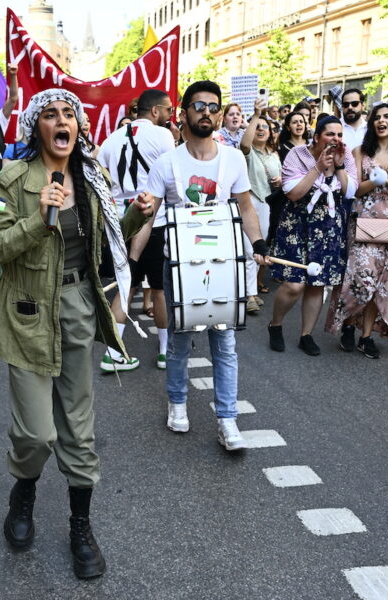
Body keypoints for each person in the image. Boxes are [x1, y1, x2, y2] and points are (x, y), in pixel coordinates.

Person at [0, 88, 153, 578]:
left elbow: (106, 238)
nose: (62, 121)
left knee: (79, 428)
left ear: (79, 126)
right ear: (37, 128)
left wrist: (138, 214)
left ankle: (82, 524)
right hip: (26, 316)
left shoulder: (94, 176)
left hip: (78, 307)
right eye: (51, 114)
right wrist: (38, 219)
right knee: (36, 433)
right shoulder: (13, 180)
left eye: (69, 114)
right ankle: (24, 491)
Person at [146, 80, 270, 451]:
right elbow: (148, 211)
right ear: (183, 113)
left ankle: (227, 419)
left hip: (222, 264)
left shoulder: (233, 158)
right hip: (181, 265)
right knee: (180, 340)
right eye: (198, 105)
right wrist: (130, 260)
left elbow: (246, 207)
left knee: (224, 343)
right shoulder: (167, 162)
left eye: (213, 107)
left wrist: (258, 243)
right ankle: (178, 402)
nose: (207, 112)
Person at [97, 89, 176, 371]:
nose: (170, 116)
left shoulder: (110, 139)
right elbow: (174, 174)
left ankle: (114, 352)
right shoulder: (163, 136)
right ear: (154, 111)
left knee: (125, 285)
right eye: (168, 110)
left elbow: (100, 176)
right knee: (160, 288)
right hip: (155, 219)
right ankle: (166, 352)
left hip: (121, 221)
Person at [328, 103, 388, 359]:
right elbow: (352, 191)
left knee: (380, 283)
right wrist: (380, 175)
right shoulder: (360, 152)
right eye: (377, 117)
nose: (382, 121)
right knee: (360, 278)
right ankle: (347, 326)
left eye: (387, 117)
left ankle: (366, 337)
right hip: (364, 221)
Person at [268, 116, 355, 355]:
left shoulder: (346, 156)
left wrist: (338, 167)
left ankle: (306, 335)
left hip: (328, 226)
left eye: (339, 135)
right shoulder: (298, 153)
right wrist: (317, 168)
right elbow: (293, 193)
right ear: (317, 137)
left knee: (317, 285)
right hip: (297, 223)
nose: (336, 140)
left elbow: (350, 192)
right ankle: (275, 325)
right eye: (330, 135)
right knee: (294, 284)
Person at [239, 99, 282, 313]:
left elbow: (282, 177)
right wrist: (256, 115)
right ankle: (249, 296)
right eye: (257, 126)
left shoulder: (273, 154)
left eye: (265, 126)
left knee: (259, 250)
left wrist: (280, 181)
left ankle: (251, 290)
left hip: (267, 204)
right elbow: (244, 144)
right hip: (249, 202)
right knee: (249, 250)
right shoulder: (247, 152)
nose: (261, 129)